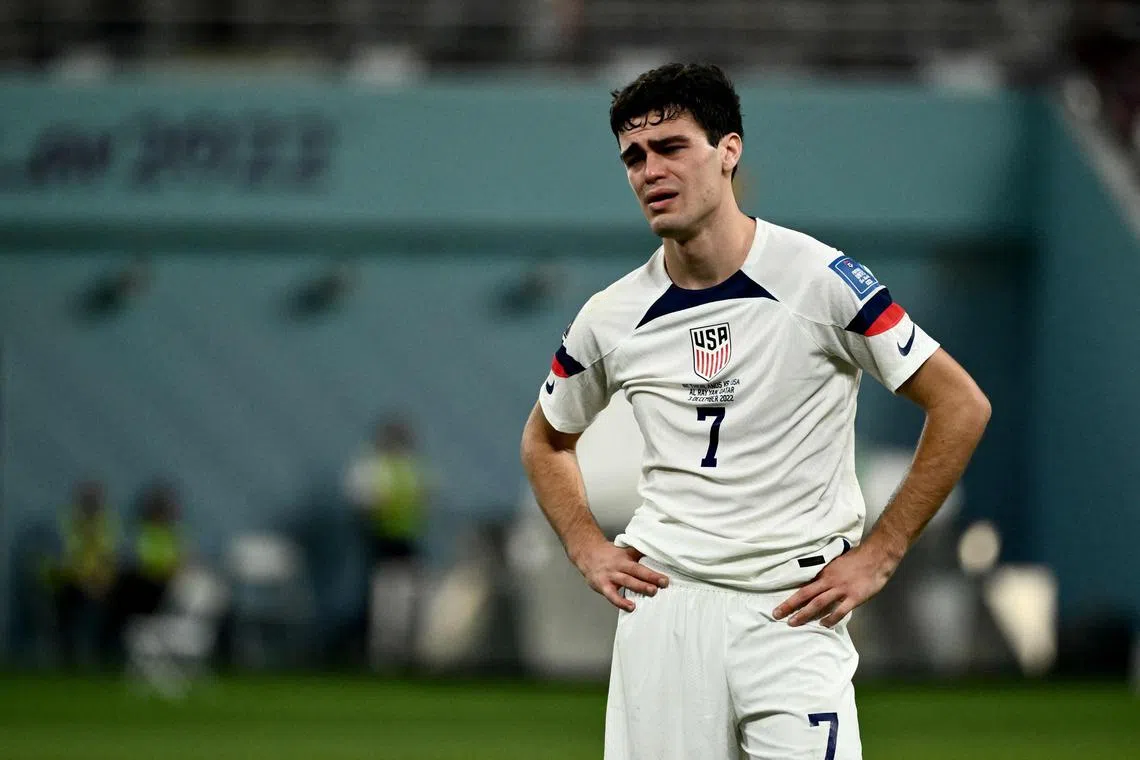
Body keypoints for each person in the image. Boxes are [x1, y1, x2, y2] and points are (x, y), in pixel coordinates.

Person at [519, 63, 991, 760]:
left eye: (672, 147)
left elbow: (960, 404)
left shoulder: (823, 282)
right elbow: (545, 441)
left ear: (728, 150)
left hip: (795, 609)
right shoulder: (610, 318)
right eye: (634, 157)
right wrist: (587, 544)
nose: (649, 169)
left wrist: (881, 555)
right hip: (667, 611)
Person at [344, 414, 431, 670]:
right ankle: (382, 655)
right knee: (385, 605)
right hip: (382, 545)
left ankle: (403, 654)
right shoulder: (373, 468)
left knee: (404, 603)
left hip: (406, 544)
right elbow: (364, 505)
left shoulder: (408, 468)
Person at [51, 480, 120, 667]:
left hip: (99, 582)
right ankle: (68, 656)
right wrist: (85, 579)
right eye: (88, 499)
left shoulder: (107, 524)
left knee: (117, 603)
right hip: (74, 580)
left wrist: (101, 581)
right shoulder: (70, 523)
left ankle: (105, 654)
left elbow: (109, 557)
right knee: (65, 600)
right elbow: (68, 557)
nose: (92, 503)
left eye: (95, 499)